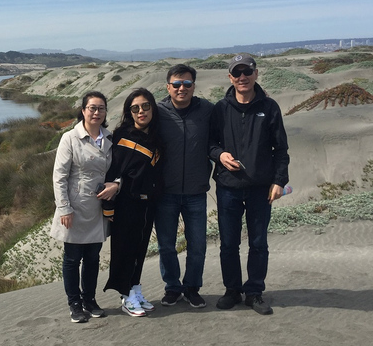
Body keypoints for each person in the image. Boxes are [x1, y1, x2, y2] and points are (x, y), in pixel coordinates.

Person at [209, 53, 290, 315]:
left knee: (258, 243)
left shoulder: (270, 107)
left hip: (259, 187)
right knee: (229, 243)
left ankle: (254, 292)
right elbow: (210, 144)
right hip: (228, 187)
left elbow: (281, 149)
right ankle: (232, 289)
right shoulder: (220, 109)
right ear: (230, 77)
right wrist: (219, 155)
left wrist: (279, 181)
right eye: (237, 72)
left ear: (256, 74)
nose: (242, 77)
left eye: (247, 71)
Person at [50, 91, 116, 323]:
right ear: (83, 110)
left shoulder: (110, 138)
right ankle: (74, 304)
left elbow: (119, 171)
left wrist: (116, 184)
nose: (96, 112)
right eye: (92, 108)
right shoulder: (70, 138)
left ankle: (89, 299)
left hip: (99, 208)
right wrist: (65, 208)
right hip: (76, 207)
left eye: (101, 108)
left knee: (93, 258)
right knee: (72, 258)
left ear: (106, 112)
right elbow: (59, 177)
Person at [155, 63, 213, 308]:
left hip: (196, 192)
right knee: (166, 245)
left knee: (198, 244)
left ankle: (191, 287)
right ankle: (172, 287)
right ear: (168, 87)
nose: (182, 89)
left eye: (187, 84)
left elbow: (219, 140)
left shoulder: (208, 110)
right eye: (176, 84)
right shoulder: (157, 112)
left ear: (193, 86)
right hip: (165, 193)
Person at [102, 88, 162, 317]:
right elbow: (113, 172)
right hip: (126, 203)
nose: (141, 112)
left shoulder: (156, 137)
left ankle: (135, 289)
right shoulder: (121, 136)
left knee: (140, 249)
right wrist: (111, 201)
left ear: (152, 108)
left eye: (145, 106)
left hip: (148, 204)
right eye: (135, 108)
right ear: (129, 112)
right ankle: (126, 296)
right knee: (124, 250)